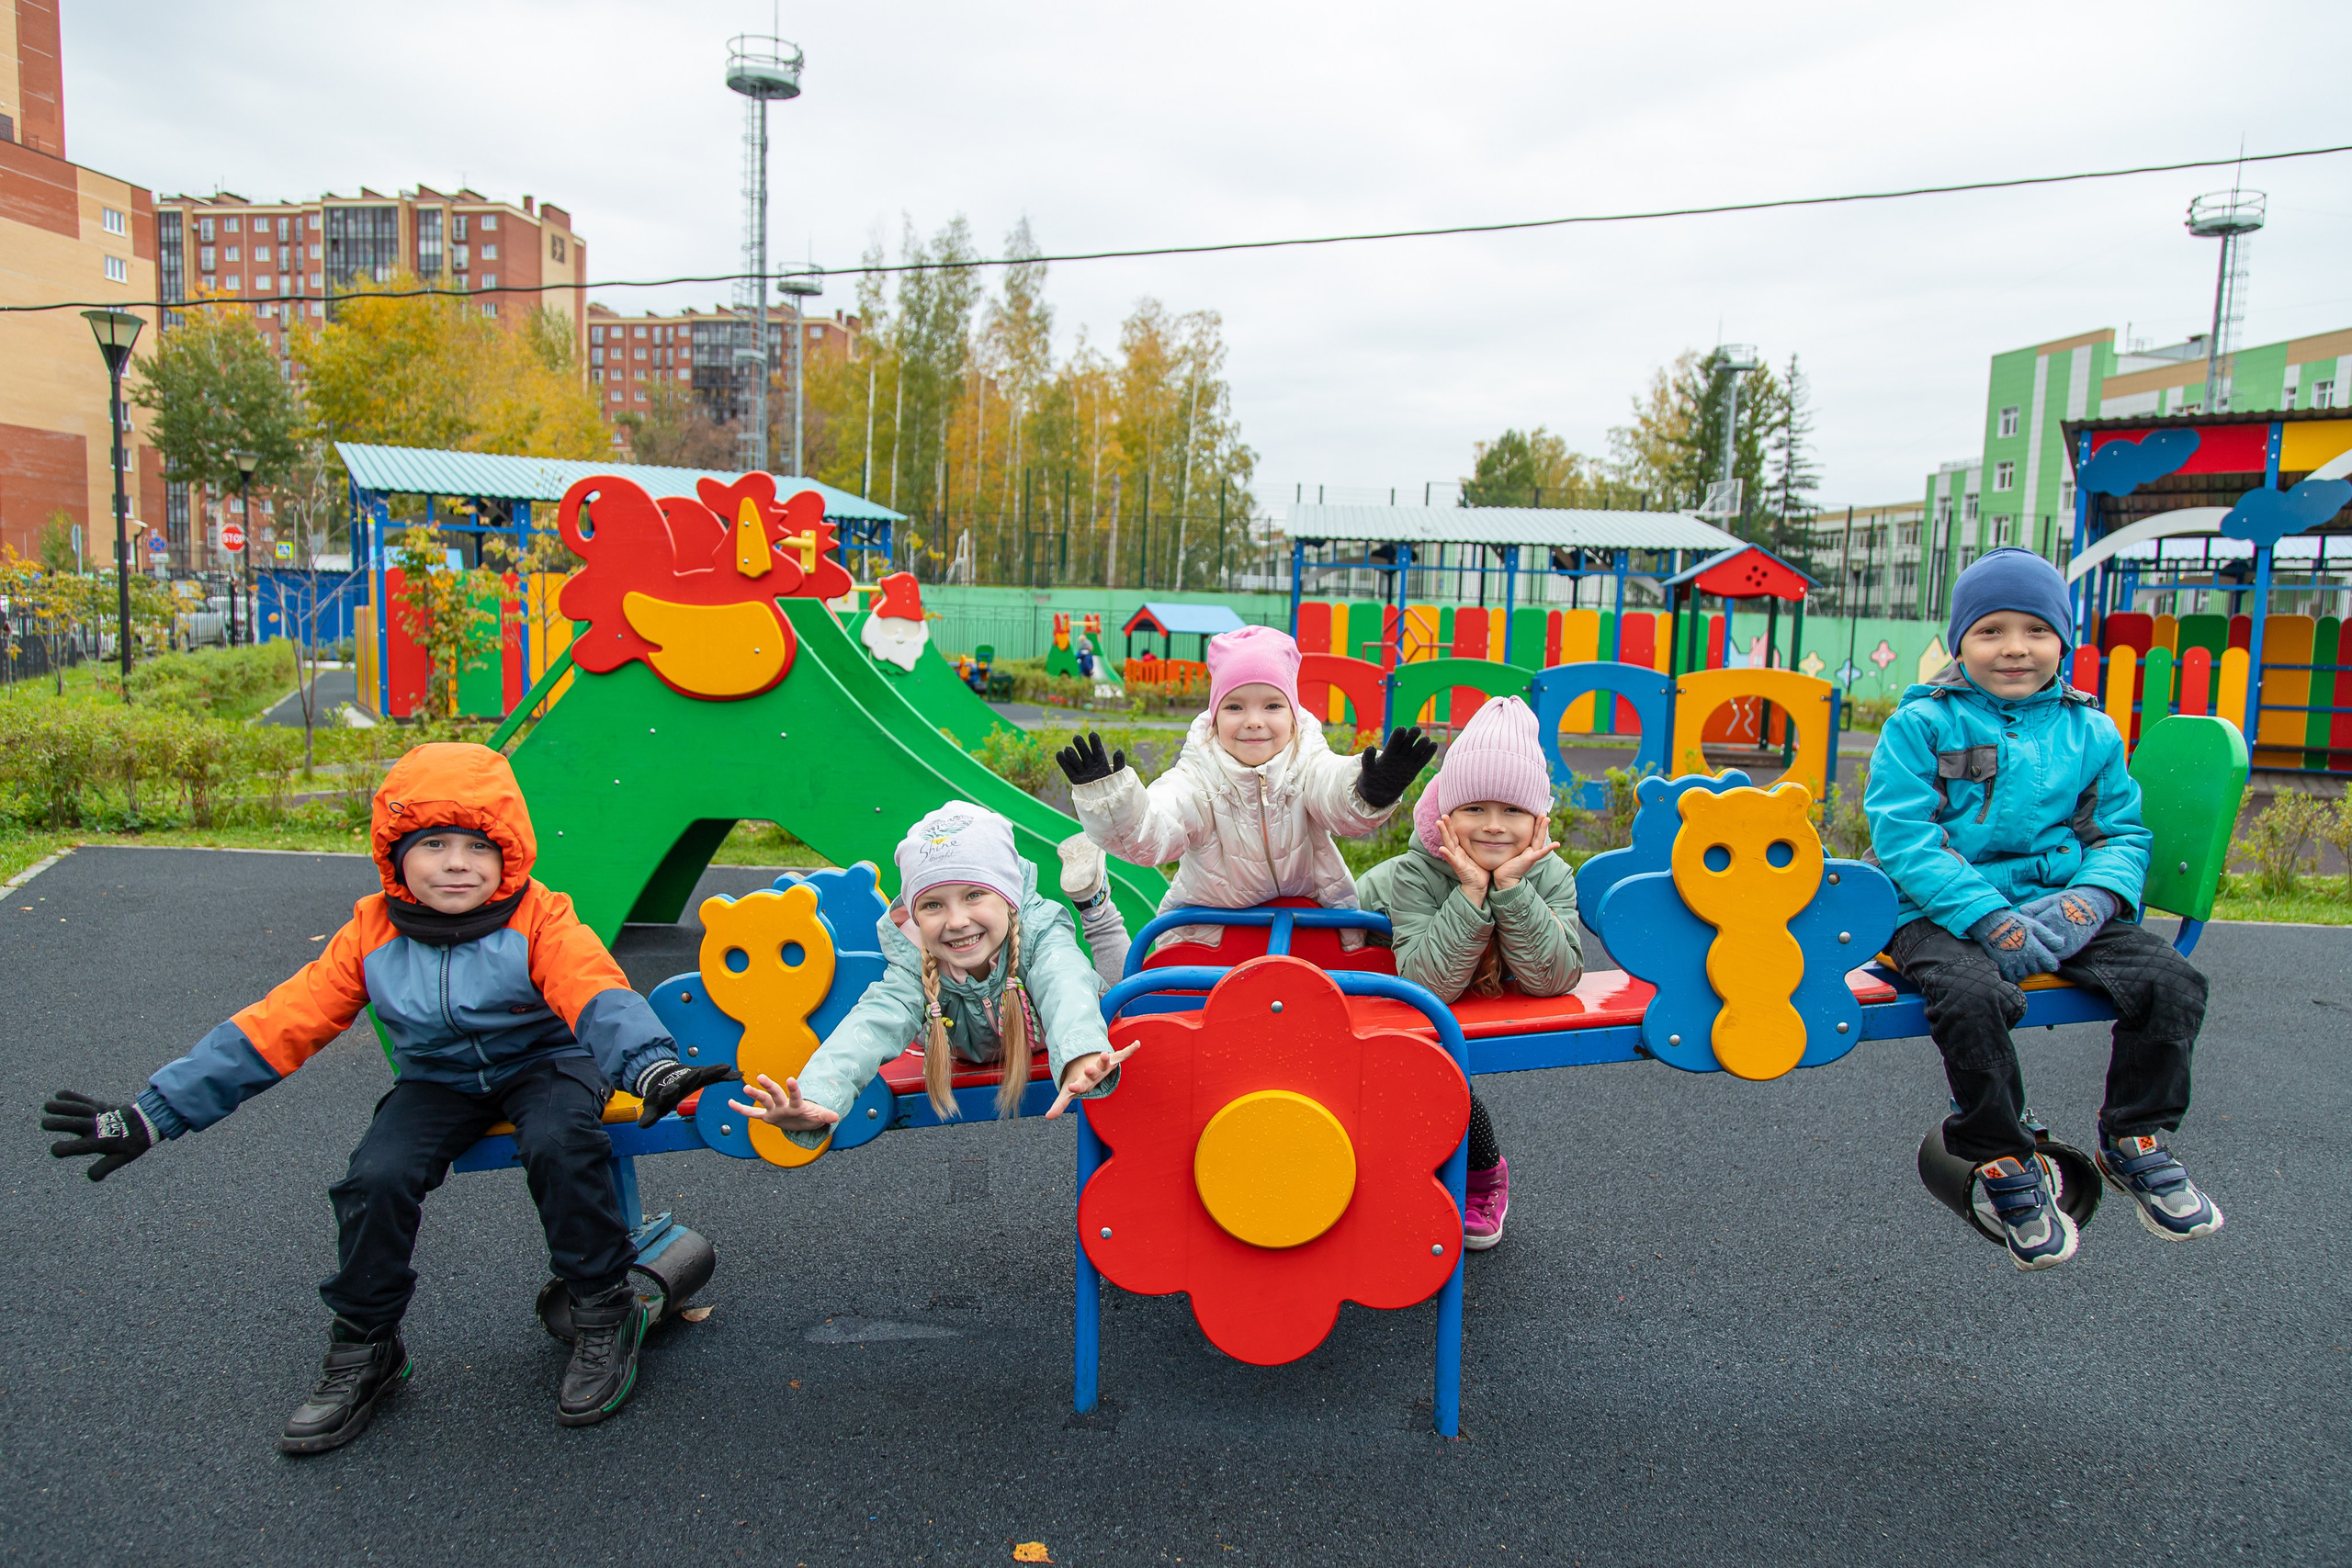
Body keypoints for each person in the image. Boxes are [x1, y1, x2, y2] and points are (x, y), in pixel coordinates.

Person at [41, 744, 734, 1451]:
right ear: (395, 853)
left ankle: (602, 1308)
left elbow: (595, 991)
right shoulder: (371, 932)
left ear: (509, 854)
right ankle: (365, 1347)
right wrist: (153, 1112)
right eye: (433, 843)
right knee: (375, 1177)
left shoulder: (540, 918)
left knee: (560, 1143)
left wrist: (651, 1068)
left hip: (546, 1062)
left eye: (476, 844)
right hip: (438, 1079)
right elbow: (277, 1024)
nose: (456, 862)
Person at [1865, 547, 2221, 1271]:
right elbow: (1906, 840)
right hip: (1931, 905)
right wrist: (1989, 917)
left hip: (2057, 904)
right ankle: (1998, 1156)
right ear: (1959, 640)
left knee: (2173, 981)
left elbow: (2120, 834)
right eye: (1991, 629)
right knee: (1971, 995)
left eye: (2035, 629)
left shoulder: (2090, 730)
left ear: (2064, 638)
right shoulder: (1924, 724)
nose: (2015, 648)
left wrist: (2092, 903)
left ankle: (2134, 1138)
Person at [731, 801, 1134, 1142]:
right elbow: (873, 1022)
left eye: (975, 895)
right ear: (914, 913)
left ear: (1008, 899)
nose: (956, 921)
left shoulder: (1037, 934)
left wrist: (1080, 1056)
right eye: (933, 905)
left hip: (1053, 1032)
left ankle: (1093, 902)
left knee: (1120, 999)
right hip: (968, 1044)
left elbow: (1065, 984)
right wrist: (818, 1094)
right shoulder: (916, 962)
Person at [1052, 624, 1436, 954]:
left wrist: (1371, 789)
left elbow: (1335, 791)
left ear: (1293, 713)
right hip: (1210, 940)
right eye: (1235, 707)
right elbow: (1153, 831)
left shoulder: (1308, 761)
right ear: (1214, 715)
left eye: (1272, 706)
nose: (1254, 722)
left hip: (1309, 934)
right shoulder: (1198, 776)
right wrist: (1112, 802)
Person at [1356, 695, 1581, 1250]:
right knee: (1404, 1070)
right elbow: (1428, 986)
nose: (1493, 828)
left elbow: (1553, 977)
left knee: (1441, 1073)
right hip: (1380, 990)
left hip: (1462, 993)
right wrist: (1471, 892)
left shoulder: (1549, 874)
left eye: (1513, 812)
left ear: (1538, 819)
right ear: (1446, 816)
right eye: (1474, 809)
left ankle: (1483, 1176)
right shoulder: (1414, 875)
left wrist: (1508, 890)